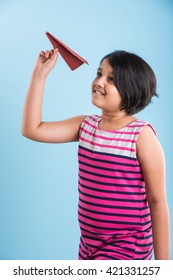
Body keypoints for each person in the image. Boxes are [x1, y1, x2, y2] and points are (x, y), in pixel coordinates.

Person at [22, 48, 170, 260]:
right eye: (99, 74)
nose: (99, 82)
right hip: (89, 246)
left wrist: (163, 267)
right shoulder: (86, 126)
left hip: (126, 246)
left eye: (111, 79)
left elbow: (157, 202)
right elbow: (32, 129)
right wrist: (40, 73)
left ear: (131, 89)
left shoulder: (142, 135)